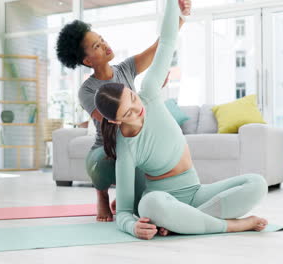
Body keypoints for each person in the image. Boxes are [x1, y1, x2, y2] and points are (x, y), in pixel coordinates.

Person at [94, 0, 269, 240]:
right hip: (163, 201)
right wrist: (132, 227)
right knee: (149, 205)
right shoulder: (126, 149)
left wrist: (174, 7)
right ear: (115, 122)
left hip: (197, 194)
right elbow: (124, 212)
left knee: (257, 183)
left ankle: (184, 223)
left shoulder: (150, 91)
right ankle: (233, 225)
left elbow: (166, 42)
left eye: (133, 99)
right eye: (128, 113)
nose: (138, 110)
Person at [56, 0, 192, 222]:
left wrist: (181, 17)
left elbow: (160, 46)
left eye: (102, 40)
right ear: (87, 60)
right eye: (97, 46)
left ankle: (125, 198)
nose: (105, 45)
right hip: (106, 150)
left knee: (142, 206)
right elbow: (111, 119)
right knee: (105, 164)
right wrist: (152, 94)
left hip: (132, 147)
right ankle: (101, 195)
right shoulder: (87, 91)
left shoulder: (126, 68)